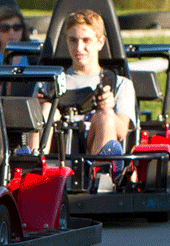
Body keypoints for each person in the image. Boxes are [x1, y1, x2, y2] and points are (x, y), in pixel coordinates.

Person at [28, 9, 136, 164]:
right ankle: (34, 166)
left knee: (105, 115)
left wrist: (109, 110)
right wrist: (36, 108)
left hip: (93, 146)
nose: (78, 48)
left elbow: (122, 132)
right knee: (45, 109)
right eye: (73, 40)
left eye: (86, 40)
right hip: (57, 151)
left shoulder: (119, 84)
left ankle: (101, 173)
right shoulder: (47, 82)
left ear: (100, 42)